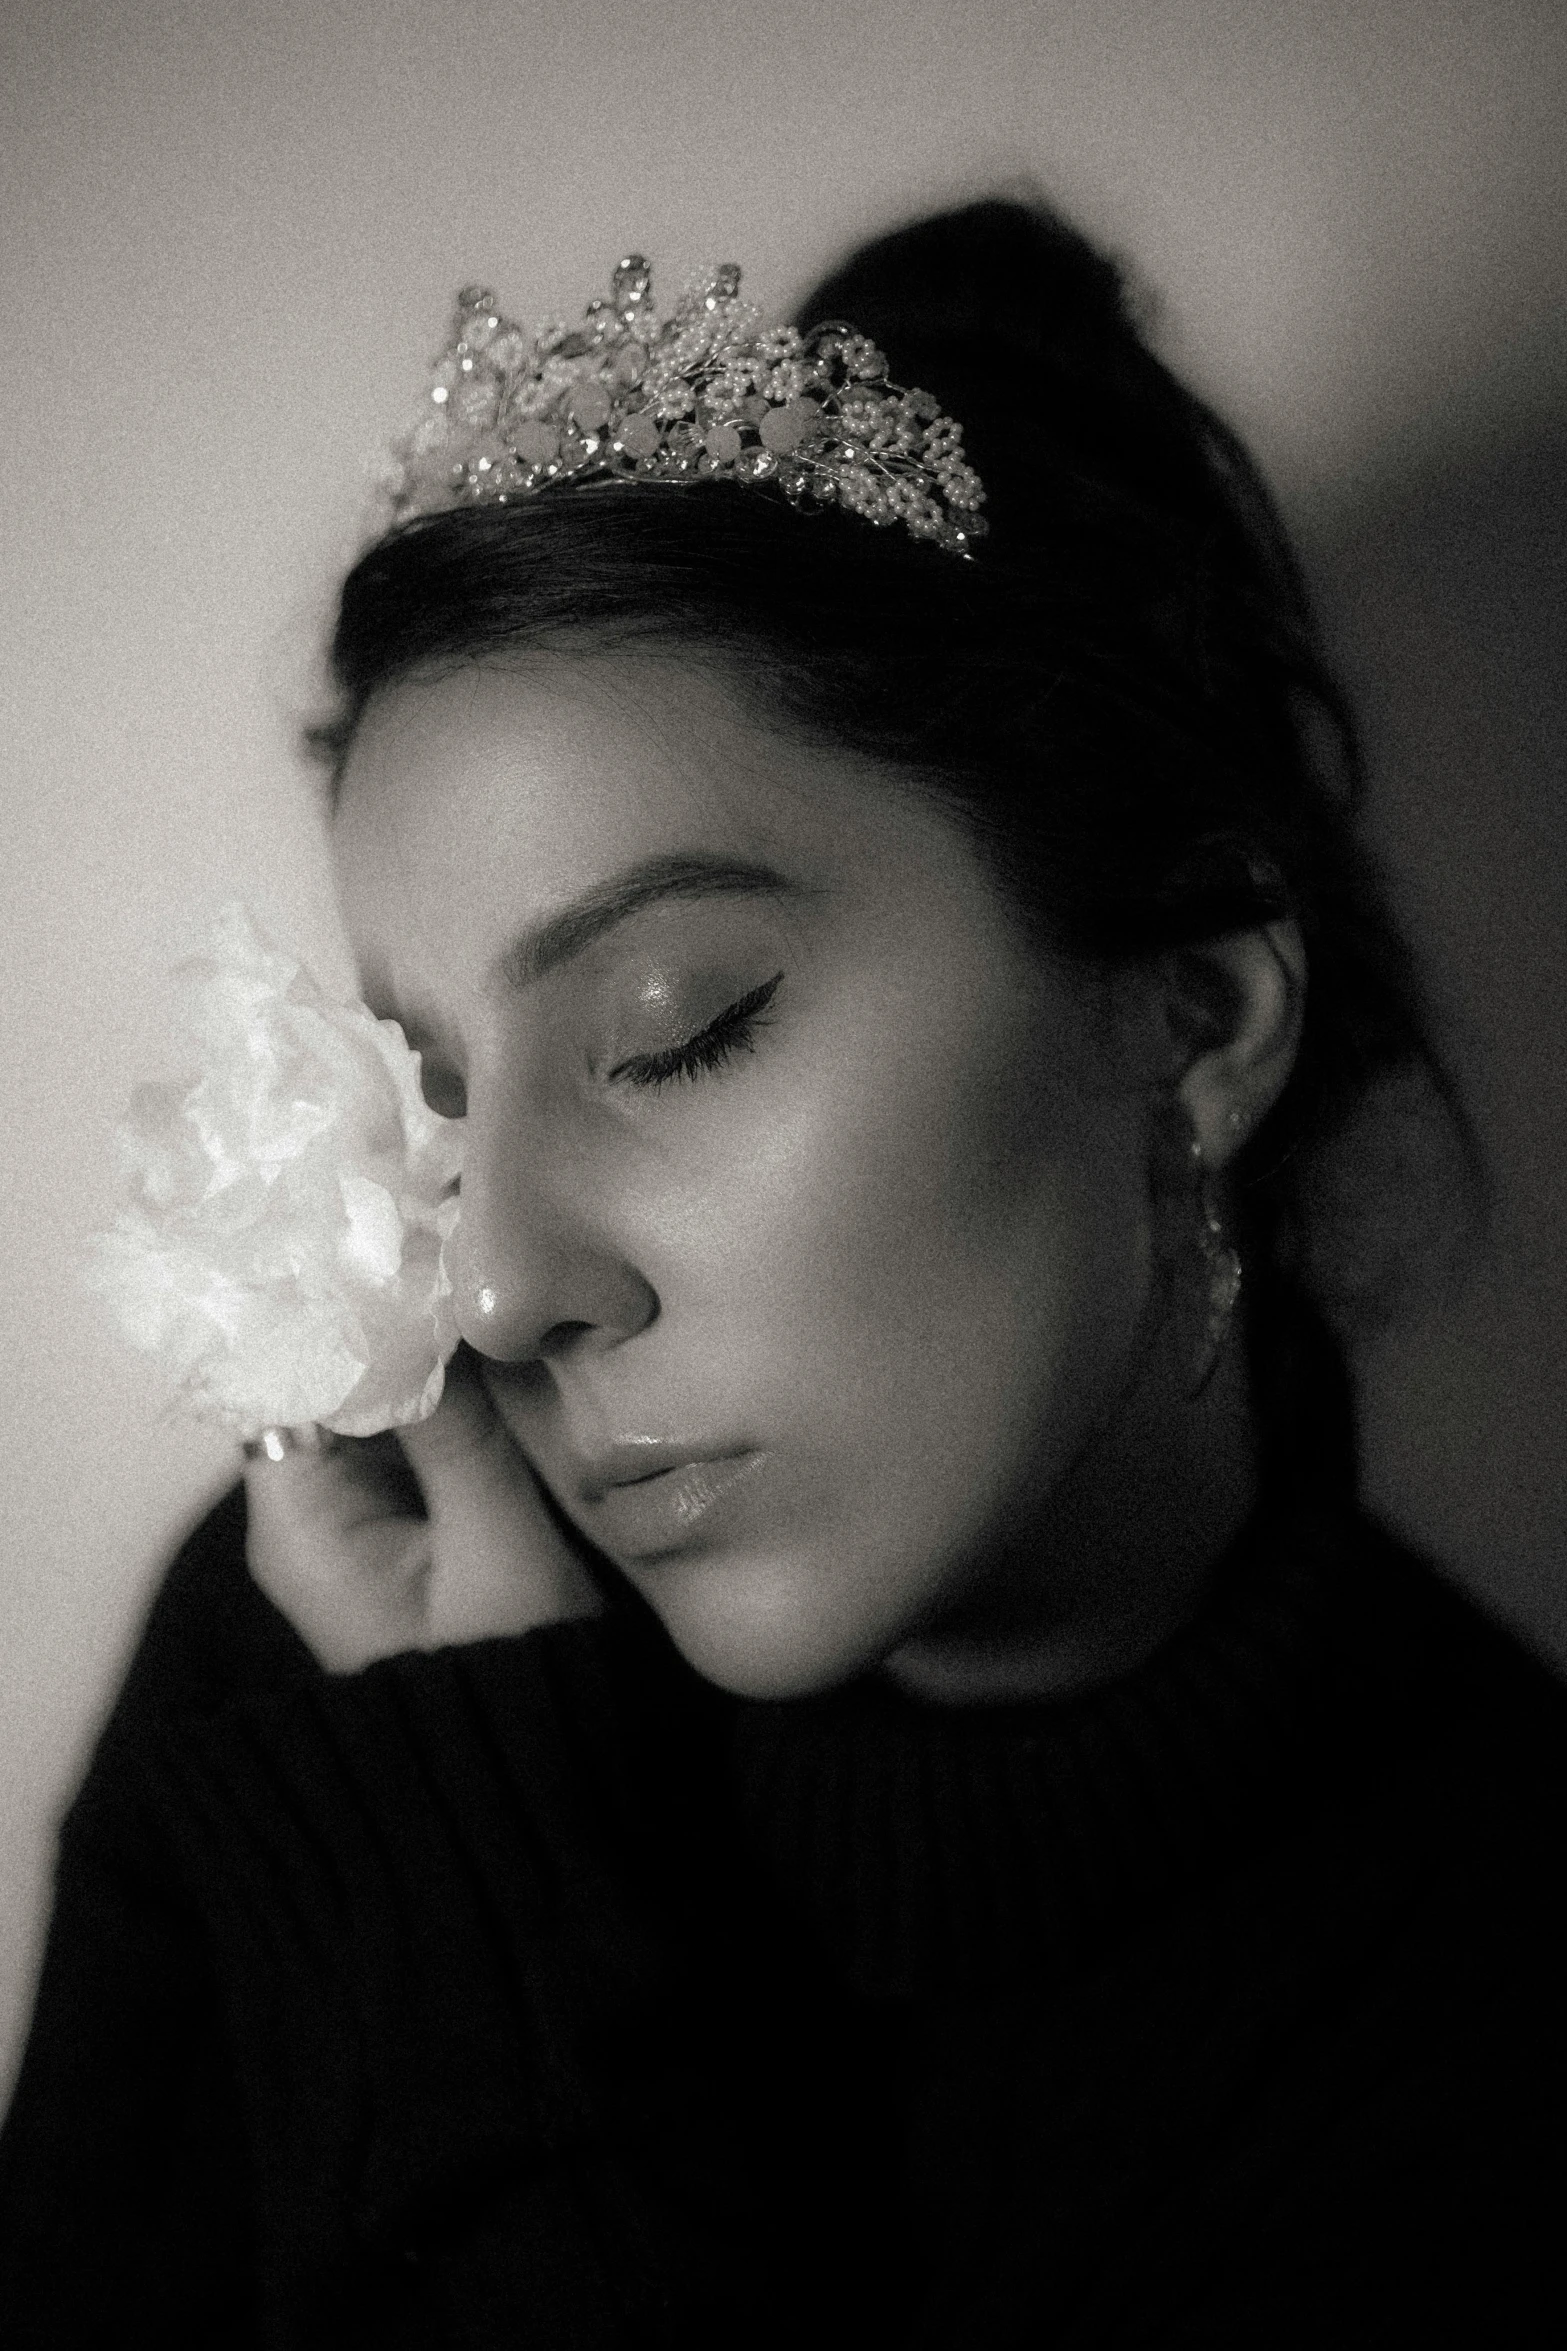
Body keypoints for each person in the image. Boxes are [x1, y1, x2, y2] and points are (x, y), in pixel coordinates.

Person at [1, 194, 1562, 2348]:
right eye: (435, 1094)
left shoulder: (1505, 1998)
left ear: (1191, 1024)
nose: (489, 1285)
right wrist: (438, 1789)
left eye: (674, 1027)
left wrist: (496, 1927)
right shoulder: (326, 1670)